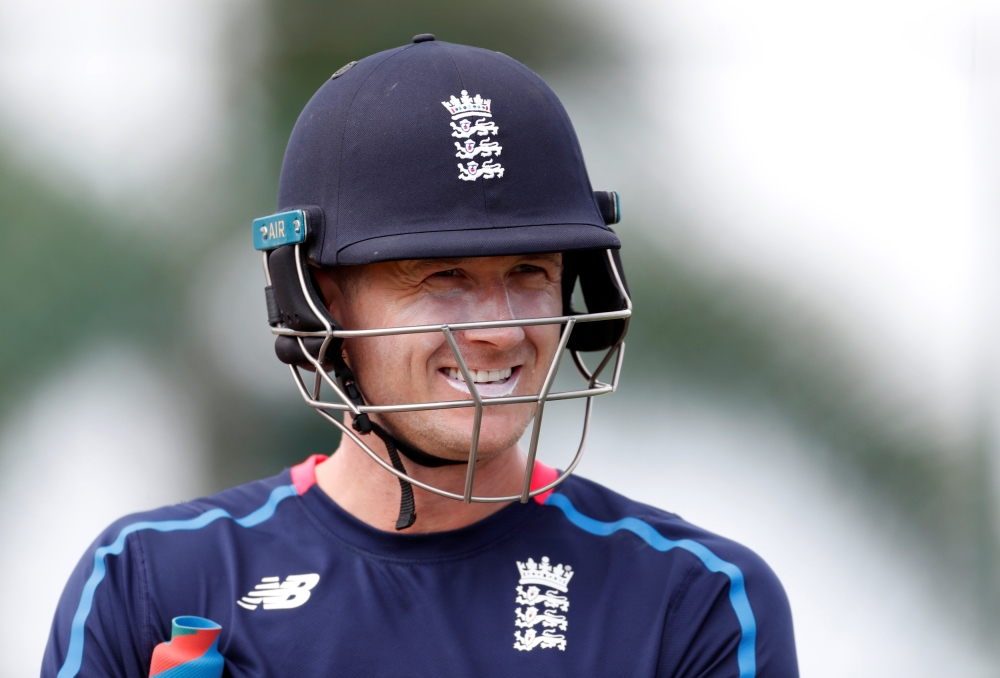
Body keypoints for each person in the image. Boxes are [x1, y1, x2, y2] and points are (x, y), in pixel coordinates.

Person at [43, 36, 798, 677]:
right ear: (321, 301)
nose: (500, 332)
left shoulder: (691, 597)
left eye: (530, 275)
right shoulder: (150, 578)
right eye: (444, 280)